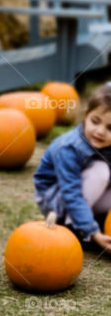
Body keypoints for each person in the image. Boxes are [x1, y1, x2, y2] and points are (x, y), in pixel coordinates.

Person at [33, 84, 111, 253]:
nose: (100, 131)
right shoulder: (68, 148)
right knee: (101, 170)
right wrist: (93, 233)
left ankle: (96, 221)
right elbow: (71, 193)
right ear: (85, 116)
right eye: (95, 121)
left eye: (110, 128)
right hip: (57, 200)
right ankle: (74, 229)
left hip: (87, 195)